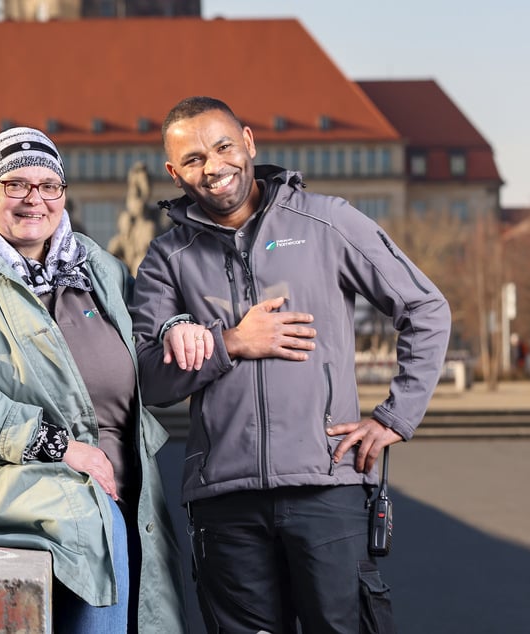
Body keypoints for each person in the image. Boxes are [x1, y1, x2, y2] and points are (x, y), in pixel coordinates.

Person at [129, 97, 451, 634]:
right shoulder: (168, 258)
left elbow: (424, 307)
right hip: (224, 502)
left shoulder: (326, 221)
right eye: (192, 159)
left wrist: (396, 416)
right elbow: (145, 378)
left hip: (326, 485)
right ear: (173, 171)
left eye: (223, 146)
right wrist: (231, 342)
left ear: (249, 142)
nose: (212, 167)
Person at [0, 127, 187, 634]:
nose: (36, 199)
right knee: (93, 521)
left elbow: (150, 331)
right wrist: (57, 446)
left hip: (124, 481)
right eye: (15, 185)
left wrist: (186, 328)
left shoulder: (98, 266)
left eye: (50, 185)